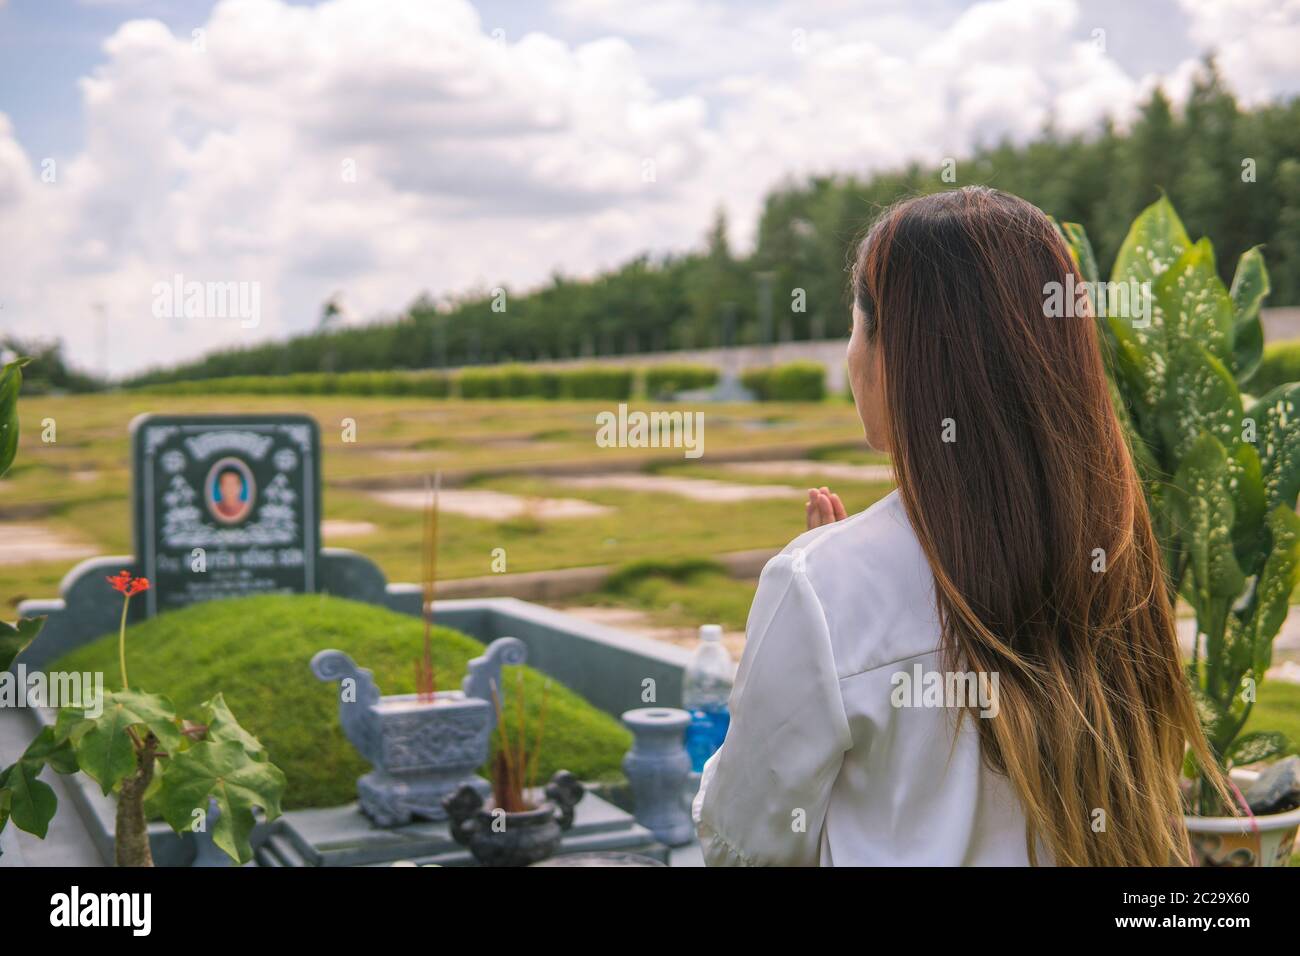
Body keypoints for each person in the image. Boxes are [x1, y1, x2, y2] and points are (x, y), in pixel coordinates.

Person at [692, 186, 1226, 866]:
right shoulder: (1116, 545)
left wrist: (832, 594)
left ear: (898, 353)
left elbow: (745, 848)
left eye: (855, 327)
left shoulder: (819, 585)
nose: (851, 358)